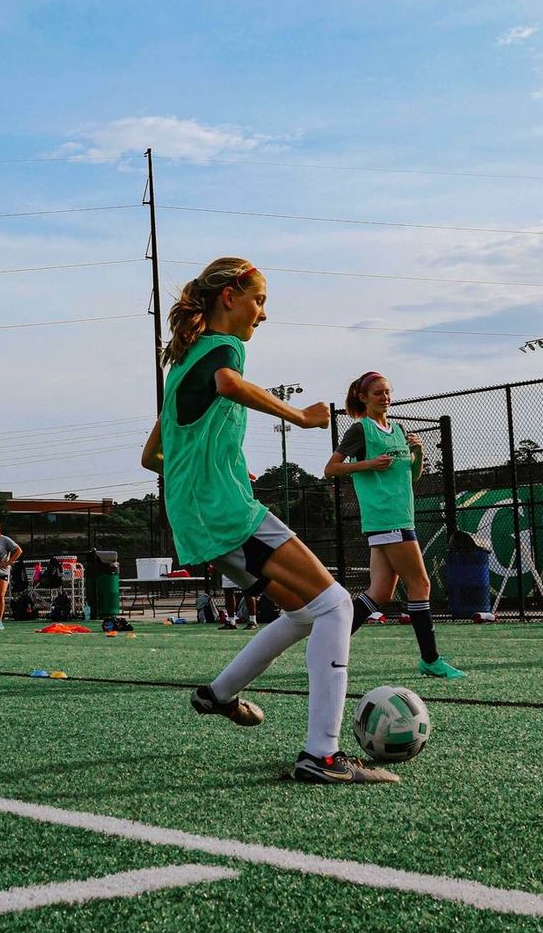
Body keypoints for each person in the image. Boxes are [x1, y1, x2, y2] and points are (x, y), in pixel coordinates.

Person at [141, 256, 397, 784]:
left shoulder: (180, 367)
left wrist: (206, 466)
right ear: (230, 296)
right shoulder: (222, 349)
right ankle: (321, 755)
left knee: (305, 613)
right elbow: (231, 383)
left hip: (198, 519)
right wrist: (302, 417)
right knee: (336, 605)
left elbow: (152, 455)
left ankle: (218, 694)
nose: (262, 315)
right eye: (259, 301)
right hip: (226, 512)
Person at [324, 370, 466, 681]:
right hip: (387, 518)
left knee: (380, 592)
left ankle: (327, 646)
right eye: (378, 393)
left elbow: (411, 477)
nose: (385, 397)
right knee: (421, 585)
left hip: (399, 518)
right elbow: (331, 468)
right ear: (363, 397)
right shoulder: (360, 430)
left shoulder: (398, 429)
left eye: (387, 392)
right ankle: (430, 659)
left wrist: (418, 453)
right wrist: (368, 464)